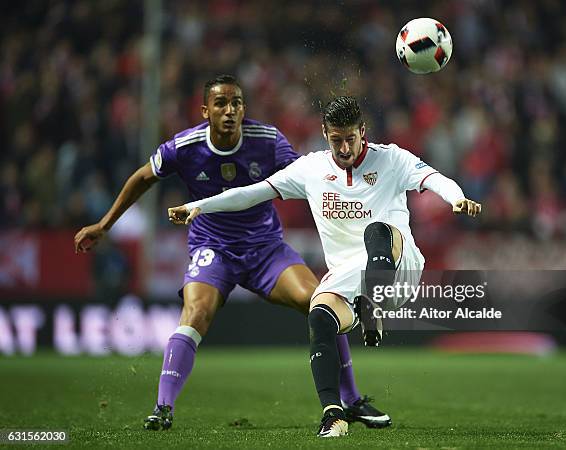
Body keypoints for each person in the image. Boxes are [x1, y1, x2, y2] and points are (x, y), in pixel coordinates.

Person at [74, 77, 391, 431]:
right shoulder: (185, 146)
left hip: (266, 250)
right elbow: (142, 178)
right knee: (196, 311)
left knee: (321, 302)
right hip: (214, 248)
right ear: (205, 110)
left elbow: (311, 176)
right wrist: (105, 224)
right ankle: (163, 407)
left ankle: (350, 401)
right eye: (221, 103)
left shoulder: (267, 140)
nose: (230, 110)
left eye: (237, 103)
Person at [168, 95, 482, 437]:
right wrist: (200, 206)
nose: (344, 148)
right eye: (336, 140)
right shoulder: (311, 169)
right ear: (324, 133)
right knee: (319, 314)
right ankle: (333, 414)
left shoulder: (392, 159)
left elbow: (434, 178)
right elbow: (252, 192)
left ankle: (373, 303)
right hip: (350, 279)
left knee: (378, 231)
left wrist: (456, 198)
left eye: (351, 139)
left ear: (363, 132)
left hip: (398, 268)